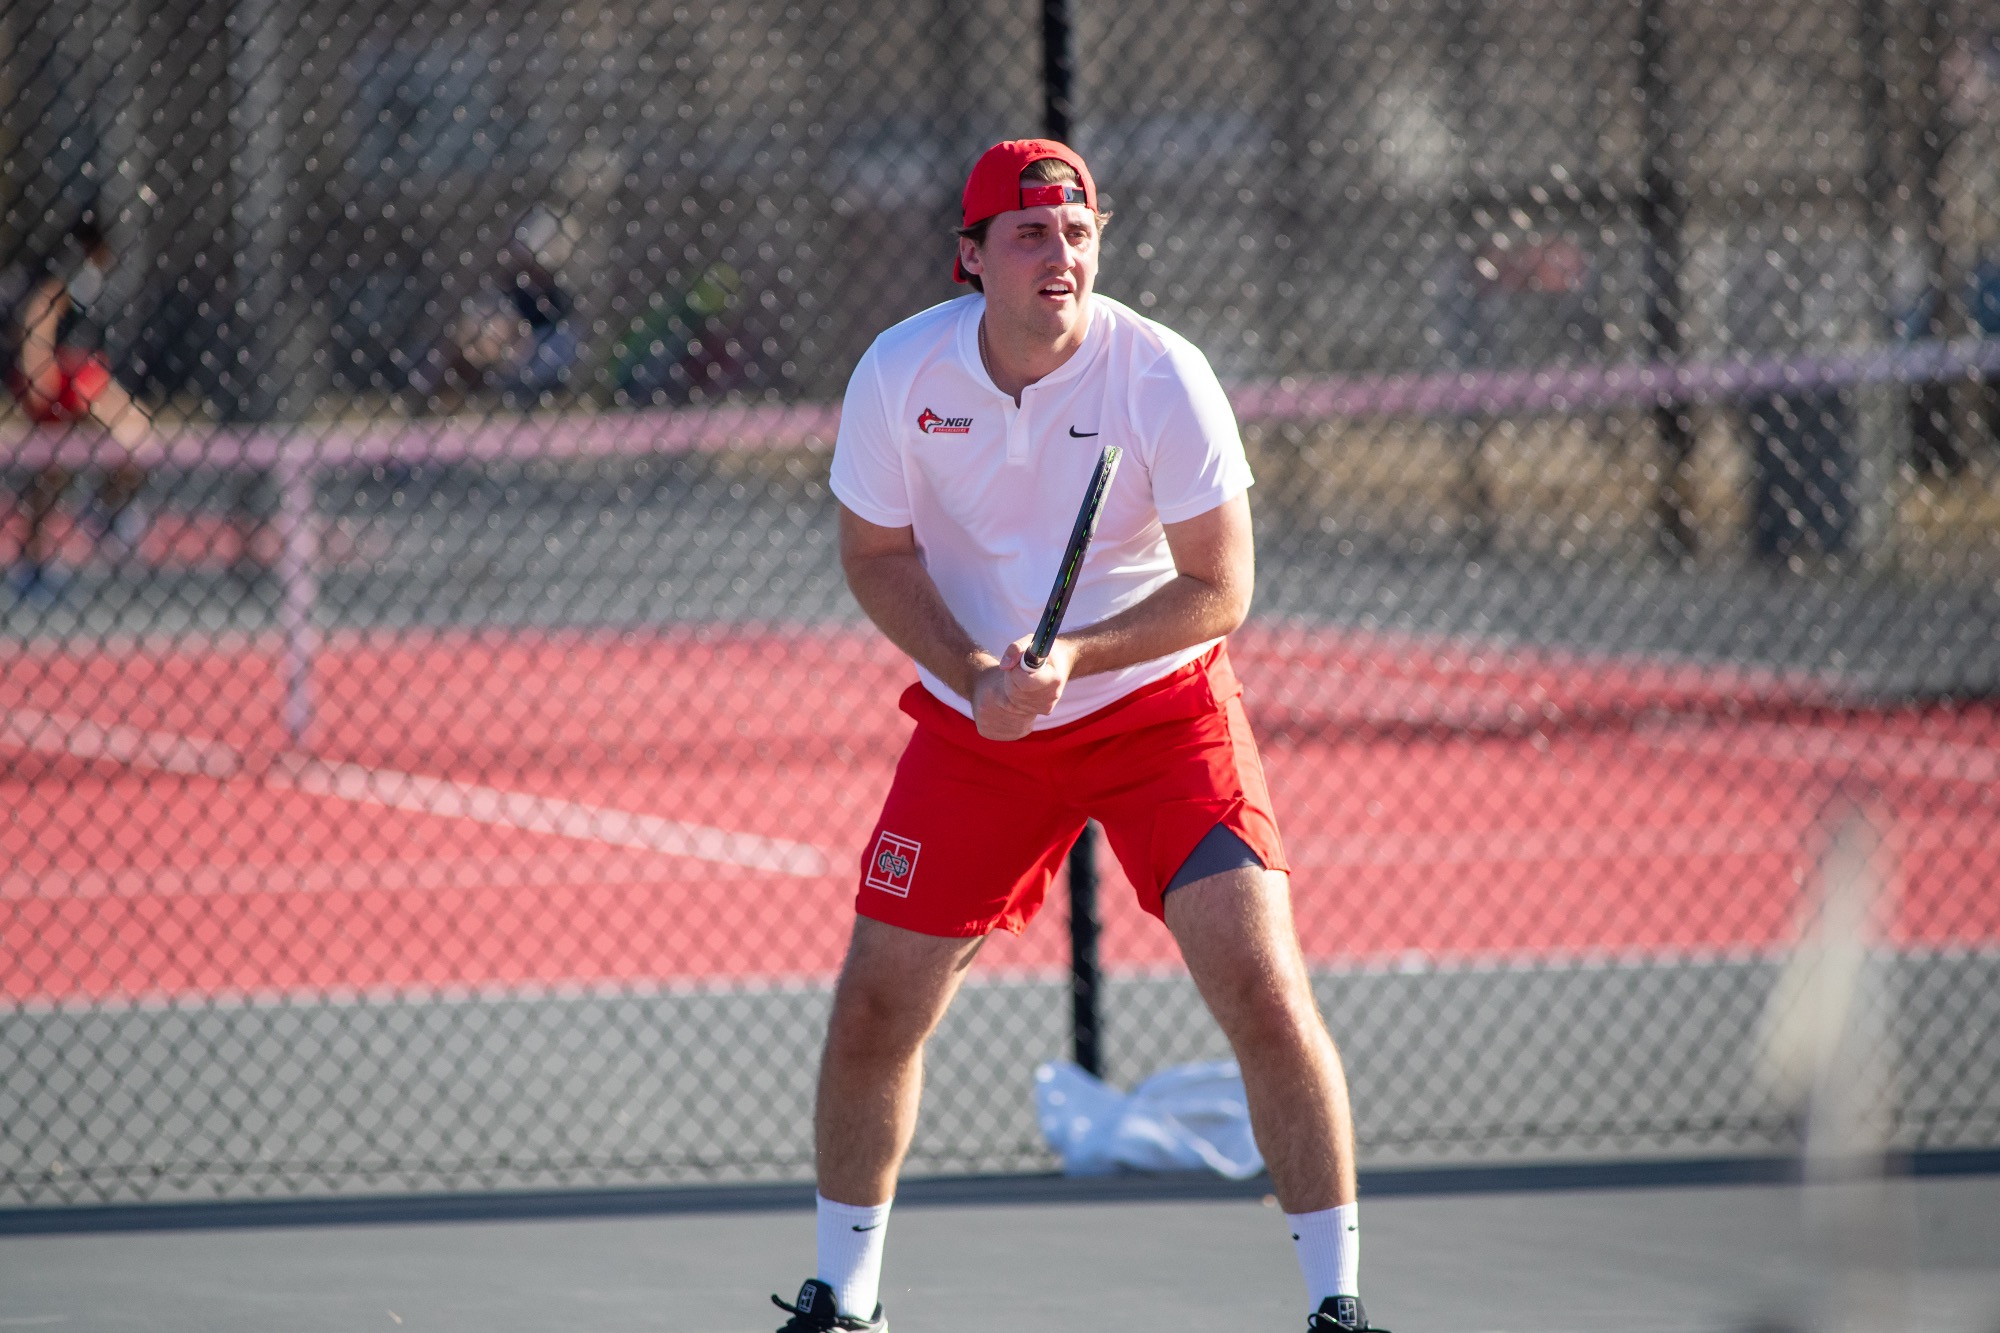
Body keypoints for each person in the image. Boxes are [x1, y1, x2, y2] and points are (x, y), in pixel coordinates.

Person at [769, 139, 1386, 1333]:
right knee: (873, 1012)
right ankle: (842, 1301)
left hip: (1161, 714)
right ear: (971, 258)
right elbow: (874, 555)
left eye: (1078, 232)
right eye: (1030, 235)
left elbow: (1221, 585)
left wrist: (1073, 657)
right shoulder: (900, 372)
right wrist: (970, 671)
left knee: (1261, 984)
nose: (1062, 257)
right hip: (973, 728)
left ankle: (1337, 1306)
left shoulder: (1160, 372)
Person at [4, 216, 148, 591]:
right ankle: (34, 562)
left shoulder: (91, 278)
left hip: (79, 372)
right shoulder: (71, 271)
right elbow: (41, 313)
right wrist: (37, 369)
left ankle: (103, 504)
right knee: (51, 472)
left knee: (126, 436)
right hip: (62, 374)